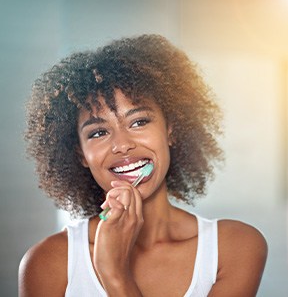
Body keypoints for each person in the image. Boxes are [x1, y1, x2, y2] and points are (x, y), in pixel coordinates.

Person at [19, 34, 267, 297]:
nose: (122, 144)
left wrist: (114, 272)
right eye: (98, 133)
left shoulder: (235, 247)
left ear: (170, 129)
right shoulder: (47, 262)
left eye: (138, 122)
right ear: (80, 153)